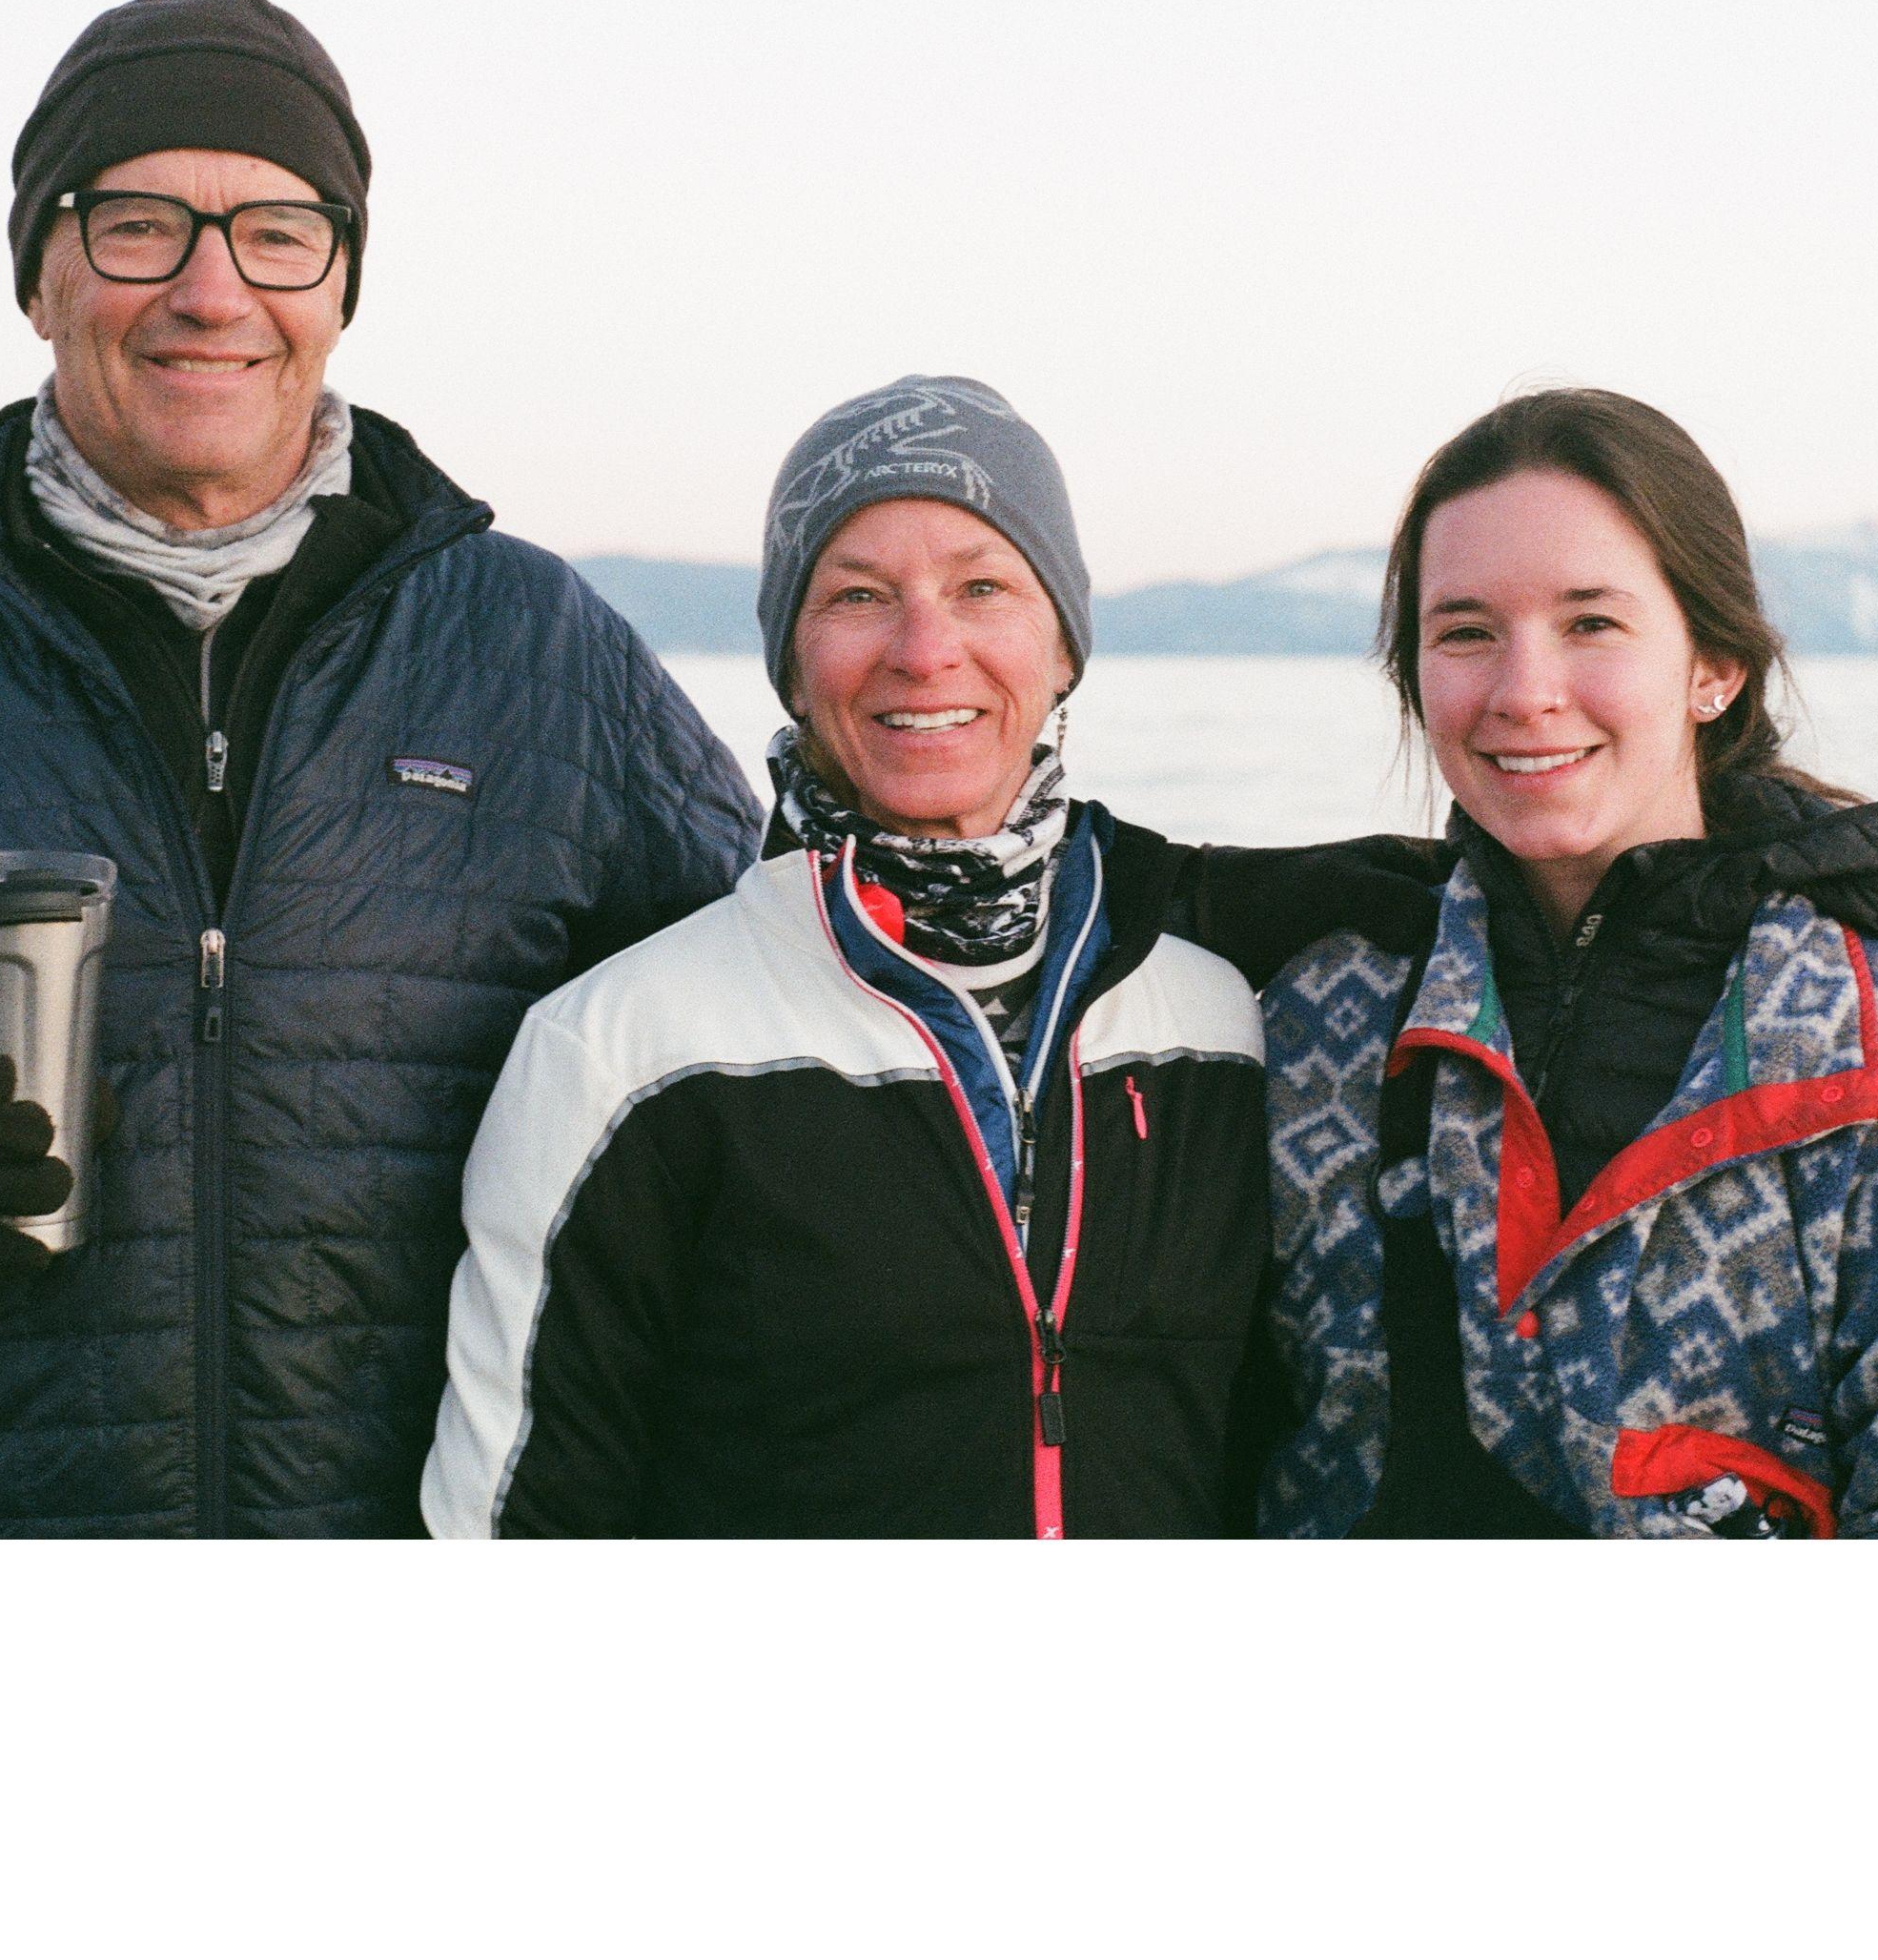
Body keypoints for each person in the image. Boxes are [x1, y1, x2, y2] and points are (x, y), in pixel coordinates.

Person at [0, 0, 760, 1535]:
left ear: (341, 284)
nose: (211, 289)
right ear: (40, 277)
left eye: (277, 232)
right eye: (138, 226)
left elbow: (781, 1082)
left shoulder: (544, 660)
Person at [1241, 388, 1878, 1538]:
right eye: (1465, 631)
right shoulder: (1321, 1027)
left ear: (1712, 666)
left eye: (1591, 624)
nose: (1524, 692)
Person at [424, 375, 1270, 1537]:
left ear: (1064, 645)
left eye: (983, 587)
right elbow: (509, 1526)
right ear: (791, 659)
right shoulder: (624, 1050)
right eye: (859, 595)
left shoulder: (1215, 1021)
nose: (926, 651)